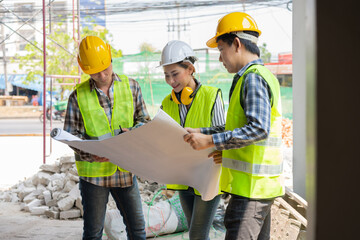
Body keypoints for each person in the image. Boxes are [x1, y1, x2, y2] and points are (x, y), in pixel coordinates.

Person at [184, 12, 284, 240]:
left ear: (236, 44)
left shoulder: (252, 78)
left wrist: (209, 141)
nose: (220, 58)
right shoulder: (260, 75)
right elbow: (237, 126)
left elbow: (258, 128)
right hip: (259, 189)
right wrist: (202, 132)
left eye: (221, 49)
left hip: (251, 191)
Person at [63, 36, 150, 240]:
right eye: (95, 71)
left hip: (125, 170)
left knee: (138, 230)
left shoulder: (132, 87)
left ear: (111, 58)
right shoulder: (77, 96)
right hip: (94, 176)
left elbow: (145, 120)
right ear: (84, 68)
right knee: (93, 234)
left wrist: (134, 132)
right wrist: (93, 153)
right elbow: (71, 135)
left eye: (105, 68)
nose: (102, 75)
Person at [159, 40, 225, 240]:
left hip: (208, 176)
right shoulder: (167, 103)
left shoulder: (211, 95)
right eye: (166, 75)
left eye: (175, 74)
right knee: (194, 232)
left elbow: (222, 130)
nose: (171, 81)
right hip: (183, 177)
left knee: (197, 233)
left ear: (190, 69)